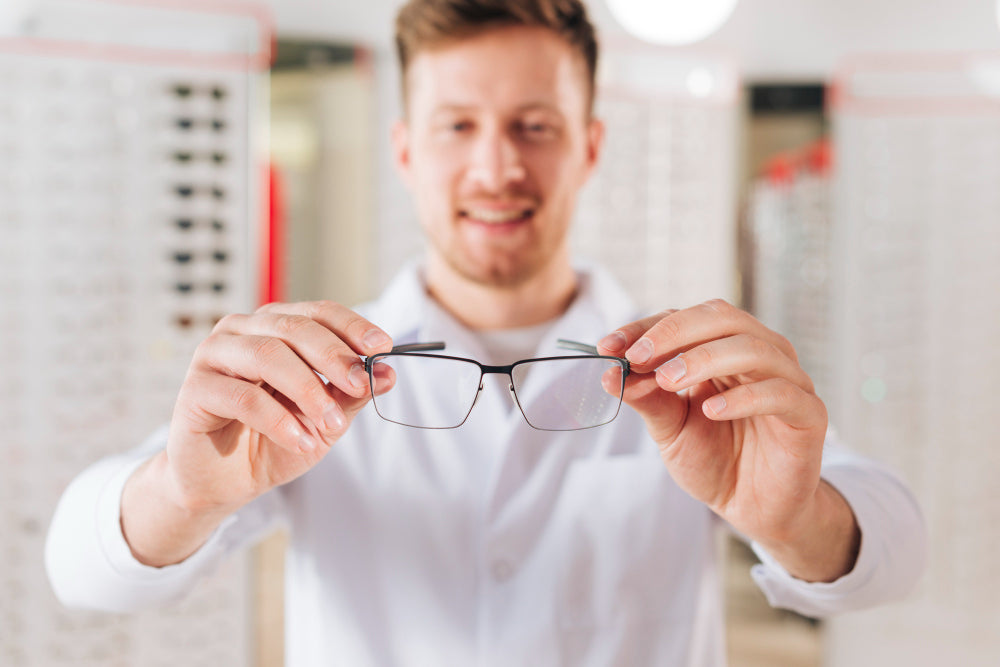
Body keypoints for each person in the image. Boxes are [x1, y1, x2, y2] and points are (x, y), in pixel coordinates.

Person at [46, 0, 926, 664]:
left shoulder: (688, 377)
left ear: (587, 146)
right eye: (457, 125)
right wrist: (184, 491)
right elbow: (80, 571)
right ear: (404, 152)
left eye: (534, 127)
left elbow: (893, 554)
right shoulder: (308, 378)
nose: (497, 167)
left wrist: (799, 516)